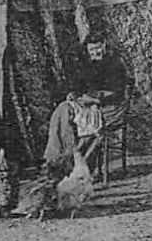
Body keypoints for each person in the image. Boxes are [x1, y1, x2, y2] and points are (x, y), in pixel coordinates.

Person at [43, 32, 129, 179]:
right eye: (92, 50)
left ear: (104, 45)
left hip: (111, 107)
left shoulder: (116, 63)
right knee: (62, 110)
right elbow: (81, 86)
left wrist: (96, 98)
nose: (95, 52)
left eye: (98, 48)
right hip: (89, 103)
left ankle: (79, 167)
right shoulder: (87, 64)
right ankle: (55, 159)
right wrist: (74, 94)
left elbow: (118, 91)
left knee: (85, 123)